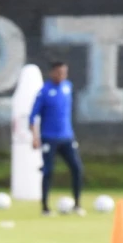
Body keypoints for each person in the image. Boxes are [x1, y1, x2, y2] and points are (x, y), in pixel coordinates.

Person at [30, 61, 85, 216]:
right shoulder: (44, 92)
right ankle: (45, 207)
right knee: (48, 171)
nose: (62, 76)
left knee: (77, 168)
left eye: (64, 73)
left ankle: (77, 205)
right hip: (49, 138)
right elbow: (32, 117)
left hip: (67, 138)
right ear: (52, 73)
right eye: (59, 72)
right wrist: (35, 137)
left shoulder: (68, 87)